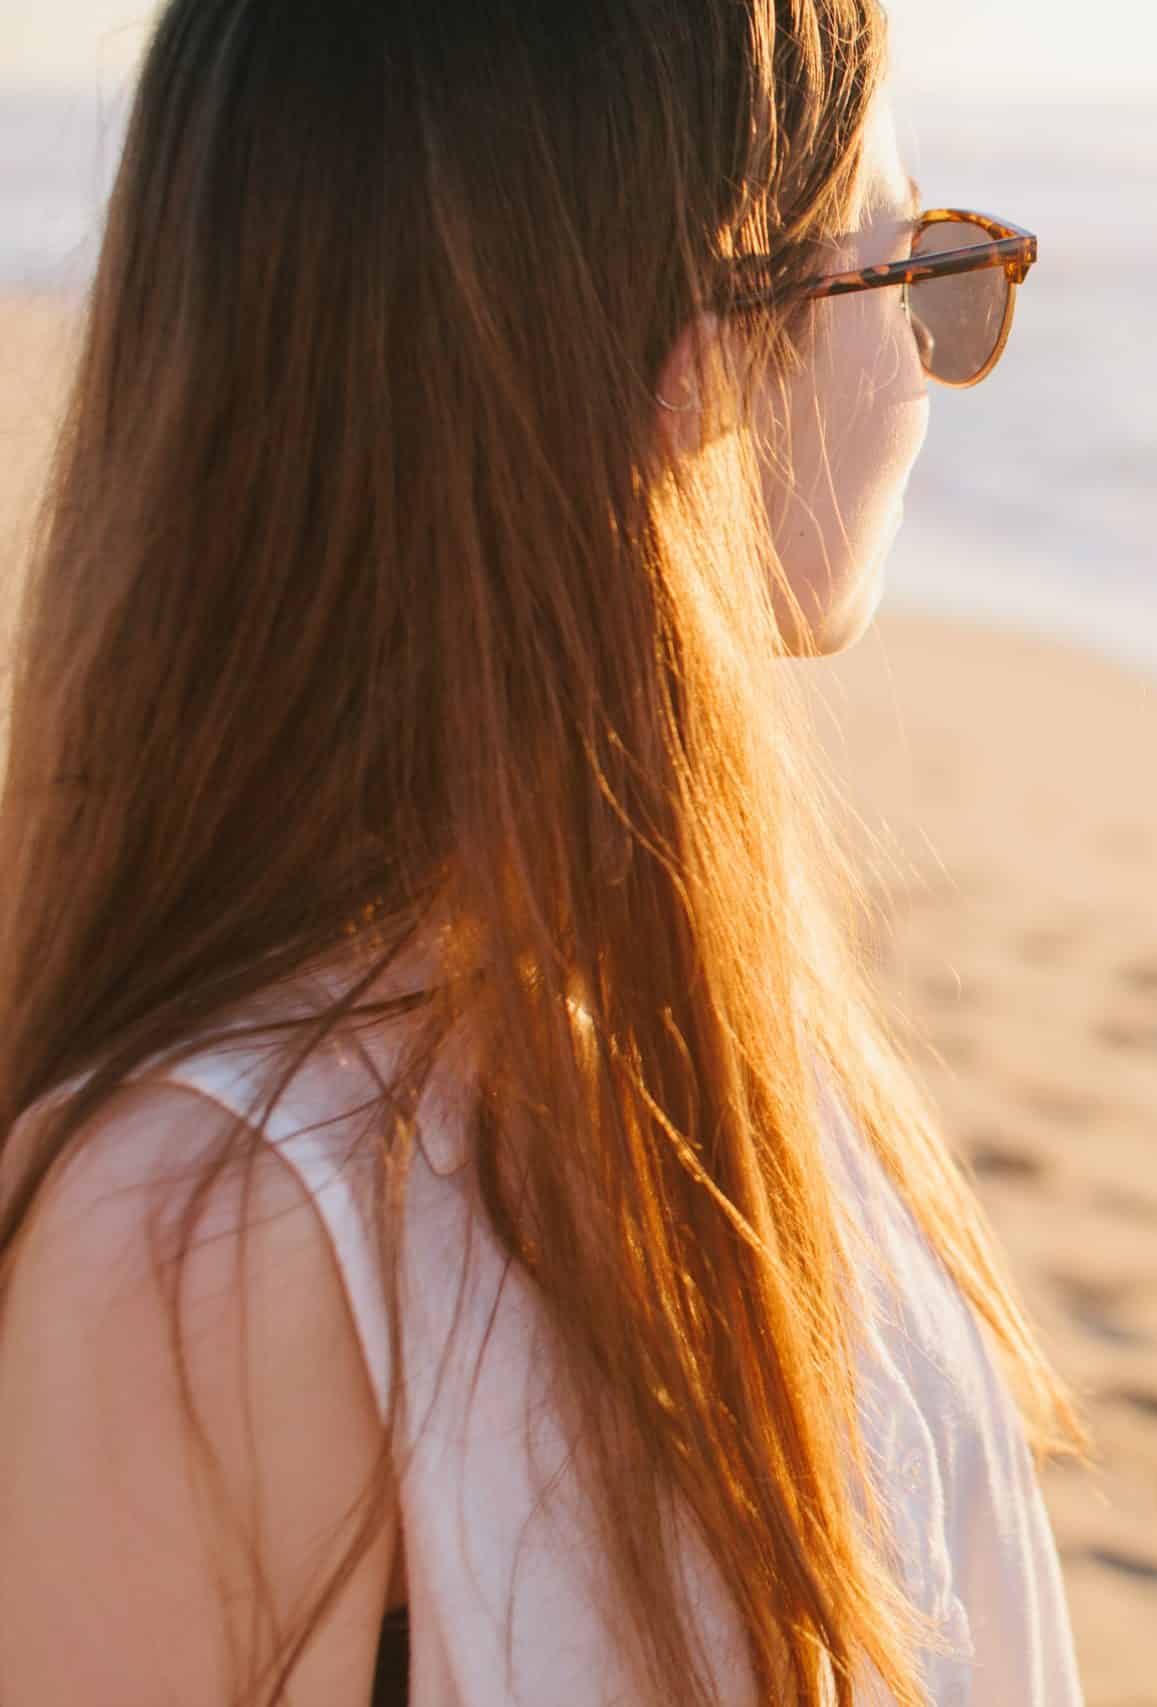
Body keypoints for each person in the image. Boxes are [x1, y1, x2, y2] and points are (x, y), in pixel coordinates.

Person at [0, 2, 1084, 1704]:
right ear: (697, 368)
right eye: (920, 275)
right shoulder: (212, 1237)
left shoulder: (721, 1049)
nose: (940, 365)